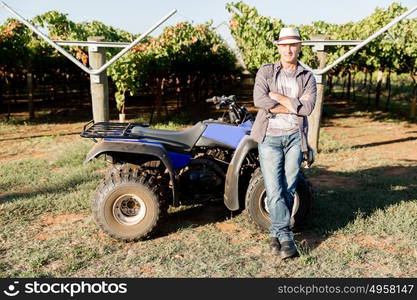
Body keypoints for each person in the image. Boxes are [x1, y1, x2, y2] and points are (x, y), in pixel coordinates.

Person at [251, 27, 317, 259]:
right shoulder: (267, 71)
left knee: (288, 187)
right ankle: (286, 236)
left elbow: (308, 109)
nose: (289, 49)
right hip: (269, 137)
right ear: (278, 47)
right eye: (284, 44)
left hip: (294, 138)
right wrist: (293, 104)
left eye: (293, 44)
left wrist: (277, 97)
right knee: (273, 188)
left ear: (299, 47)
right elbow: (259, 99)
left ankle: (276, 233)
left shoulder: (307, 76)